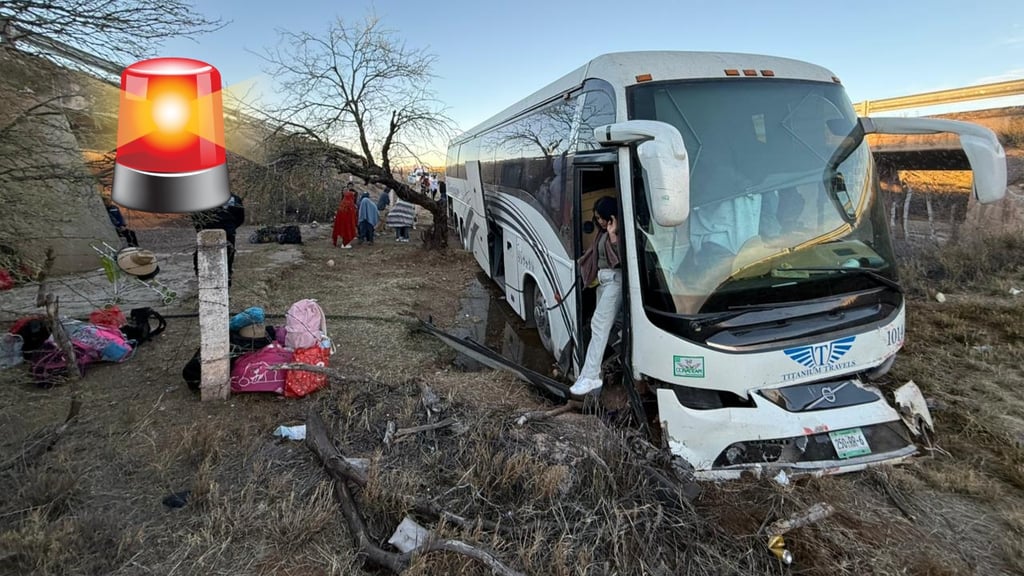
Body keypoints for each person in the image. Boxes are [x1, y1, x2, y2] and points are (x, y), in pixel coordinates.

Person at [570, 196, 622, 396]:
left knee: (599, 325)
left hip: (615, 280)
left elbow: (623, 260)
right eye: (597, 217)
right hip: (603, 281)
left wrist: (613, 236)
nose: (598, 221)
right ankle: (592, 373)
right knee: (602, 325)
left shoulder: (618, 232)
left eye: (602, 217)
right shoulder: (601, 232)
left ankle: (591, 376)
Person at [192, 193, 244, 286]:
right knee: (205, 256)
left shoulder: (234, 199)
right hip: (211, 232)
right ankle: (207, 278)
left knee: (226, 257)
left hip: (222, 232)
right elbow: (196, 216)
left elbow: (240, 217)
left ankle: (224, 281)